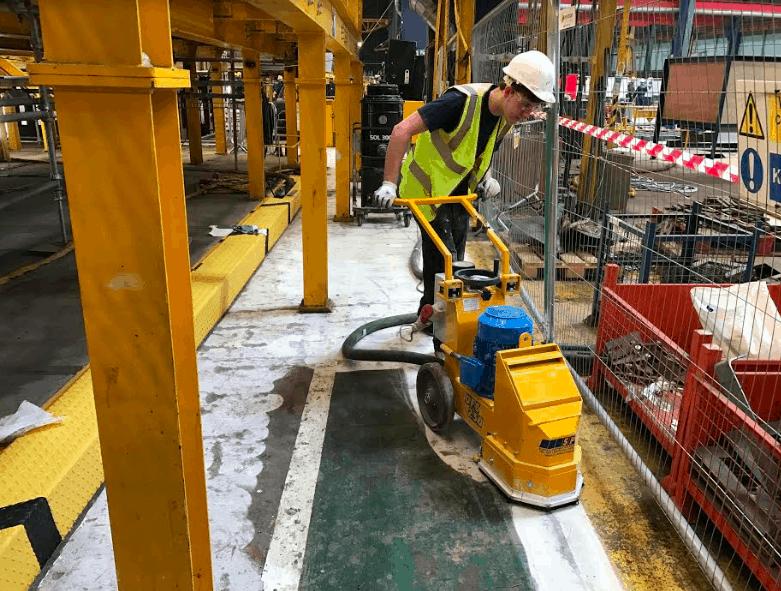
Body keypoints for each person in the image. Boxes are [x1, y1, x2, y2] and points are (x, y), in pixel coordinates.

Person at [372, 50, 556, 322]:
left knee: (454, 260)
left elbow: (484, 149)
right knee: (445, 267)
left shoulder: (506, 116)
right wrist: (389, 183)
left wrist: (486, 178)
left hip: (457, 196)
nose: (528, 113)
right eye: (526, 105)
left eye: (534, 108)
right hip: (426, 194)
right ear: (508, 90)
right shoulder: (459, 102)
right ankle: (441, 340)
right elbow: (401, 131)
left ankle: (430, 318)